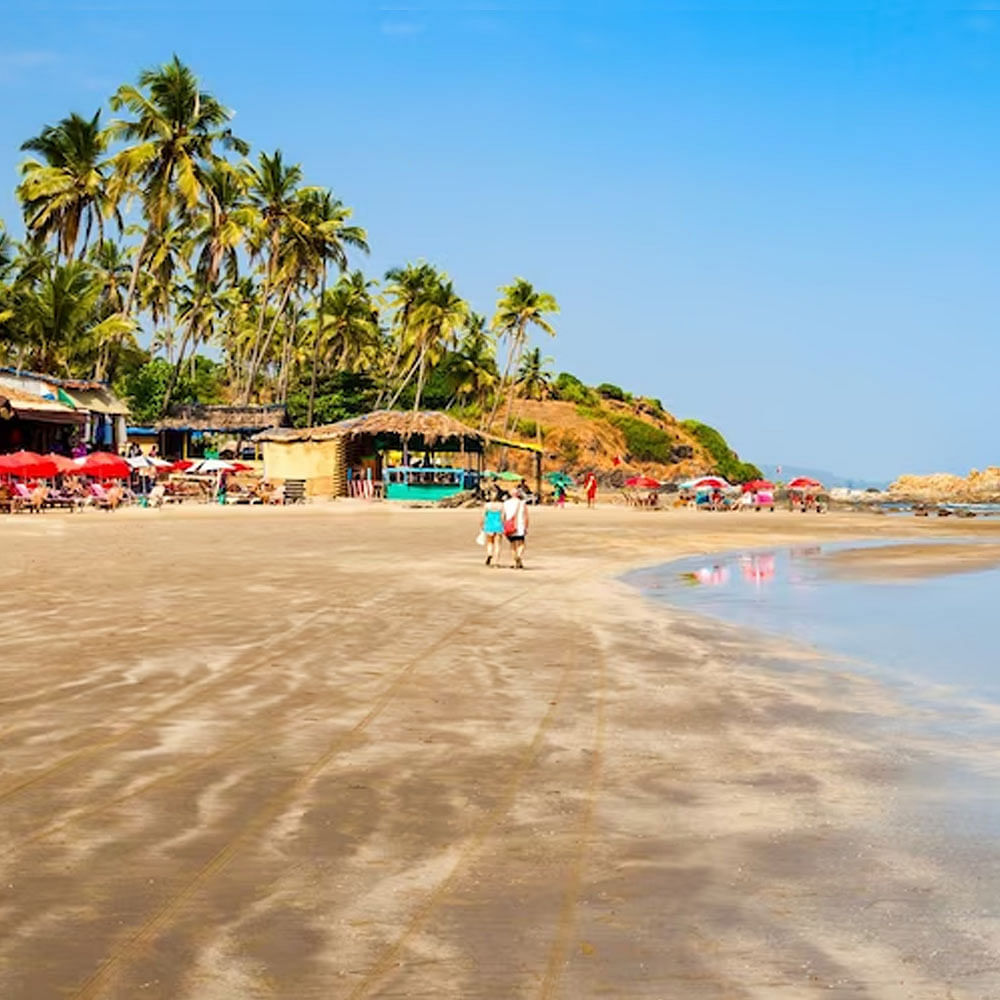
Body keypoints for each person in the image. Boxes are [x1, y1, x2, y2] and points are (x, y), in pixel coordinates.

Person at [502, 489, 529, 569]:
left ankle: (516, 561)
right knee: (522, 543)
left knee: (512, 544)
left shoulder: (506, 503)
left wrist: (503, 525)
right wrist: (526, 526)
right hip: (519, 525)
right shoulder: (522, 503)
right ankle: (519, 556)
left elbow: (503, 515)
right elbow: (526, 516)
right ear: (517, 494)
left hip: (509, 525)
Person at [481, 494, 504, 567]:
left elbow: (483, 516)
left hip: (489, 525)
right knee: (498, 544)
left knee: (490, 542)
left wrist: (482, 525)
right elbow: (503, 517)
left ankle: (489, 553)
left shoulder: (487, 505)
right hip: (498, 525)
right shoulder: (501, 505)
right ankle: (496, 562)